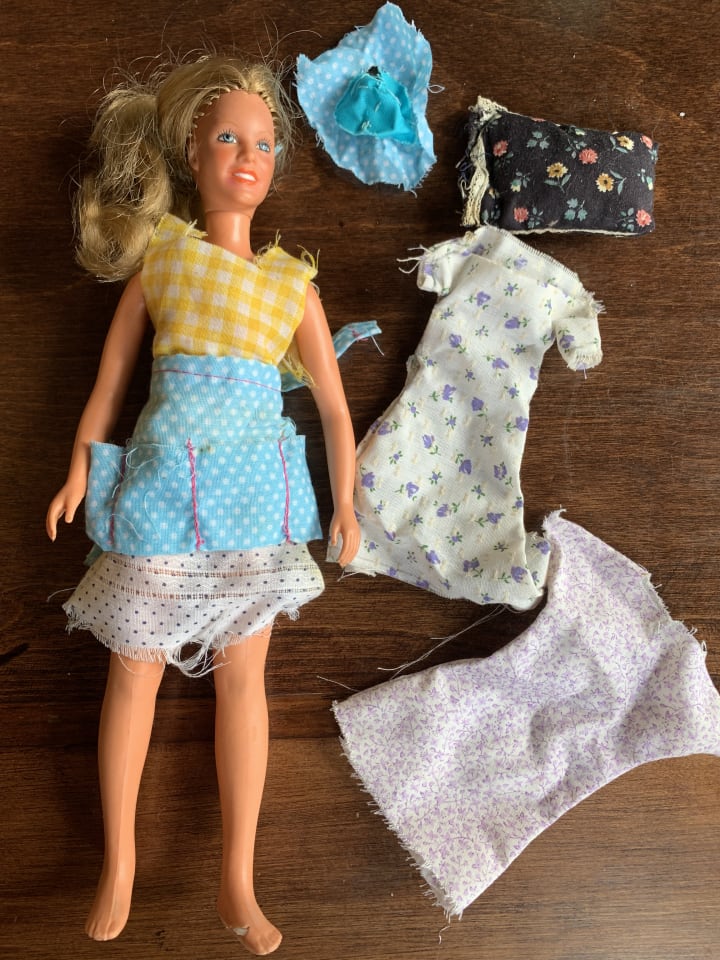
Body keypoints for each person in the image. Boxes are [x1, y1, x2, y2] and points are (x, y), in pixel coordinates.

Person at [46, 54, 360, 955]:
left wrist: (346, 504)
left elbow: (334, 410)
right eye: (229, 137)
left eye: (263, 143)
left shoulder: (292, 284)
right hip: (158, 497)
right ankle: (120, 862)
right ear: (193, 151)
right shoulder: (163, 259)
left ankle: (237, 878)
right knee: (133, 673)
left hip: (253, 507)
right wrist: (78, 469)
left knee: (244, 682)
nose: (248, 157)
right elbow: (110, 383)